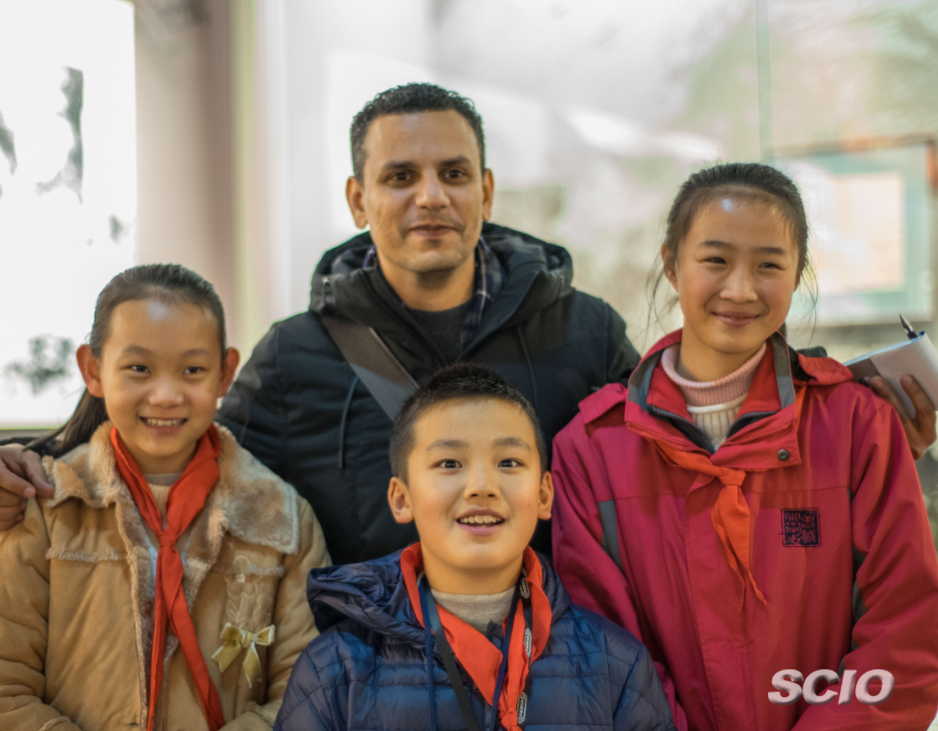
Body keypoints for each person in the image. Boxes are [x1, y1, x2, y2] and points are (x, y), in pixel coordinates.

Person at [0, 83, 934, 563]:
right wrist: (42, 456)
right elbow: (173, 446)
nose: (429, 197)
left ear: (486, 190)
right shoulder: (295, 355)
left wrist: (843, 401)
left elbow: (691, 420)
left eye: (453, 173)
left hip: (554, 675)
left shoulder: (578, 328)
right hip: (369, 680)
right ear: (359, 197)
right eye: (400, 178)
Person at [551, 163, 938, 731]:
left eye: (769, 265)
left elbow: (907, 633)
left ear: (798, 272)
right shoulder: (592, 448)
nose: (740, 288)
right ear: (671, 263)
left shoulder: (857, 424)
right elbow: (599, 652)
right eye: (715, 260)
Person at [0, 264, 331, 730]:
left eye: (192, 370)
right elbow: (7, 688)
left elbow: (308, 694)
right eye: (139, 369)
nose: (166, 394)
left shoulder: (282, 519)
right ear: (93, 370)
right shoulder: (48, 503)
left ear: (225, 374)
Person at [274, 363, 676, 731]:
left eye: (508, 463)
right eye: (449, 463)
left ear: (543, 495)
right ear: (401, 499)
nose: (482, 485)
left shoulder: (615, 666)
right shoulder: (335, 670)